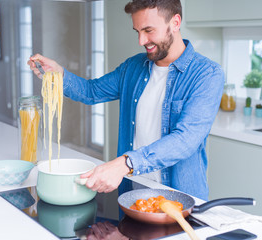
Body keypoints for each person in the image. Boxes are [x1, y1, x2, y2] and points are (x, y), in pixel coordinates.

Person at [28, 0, 224, 201]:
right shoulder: (134, 67)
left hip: (180, 202)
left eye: (148, 30)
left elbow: (185, 140)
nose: (141, 40)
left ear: (175, 22)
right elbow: (91, 91)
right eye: (137, 31)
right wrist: (58, 74)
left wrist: (125, 164)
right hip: (133, 194)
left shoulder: (206, 74)